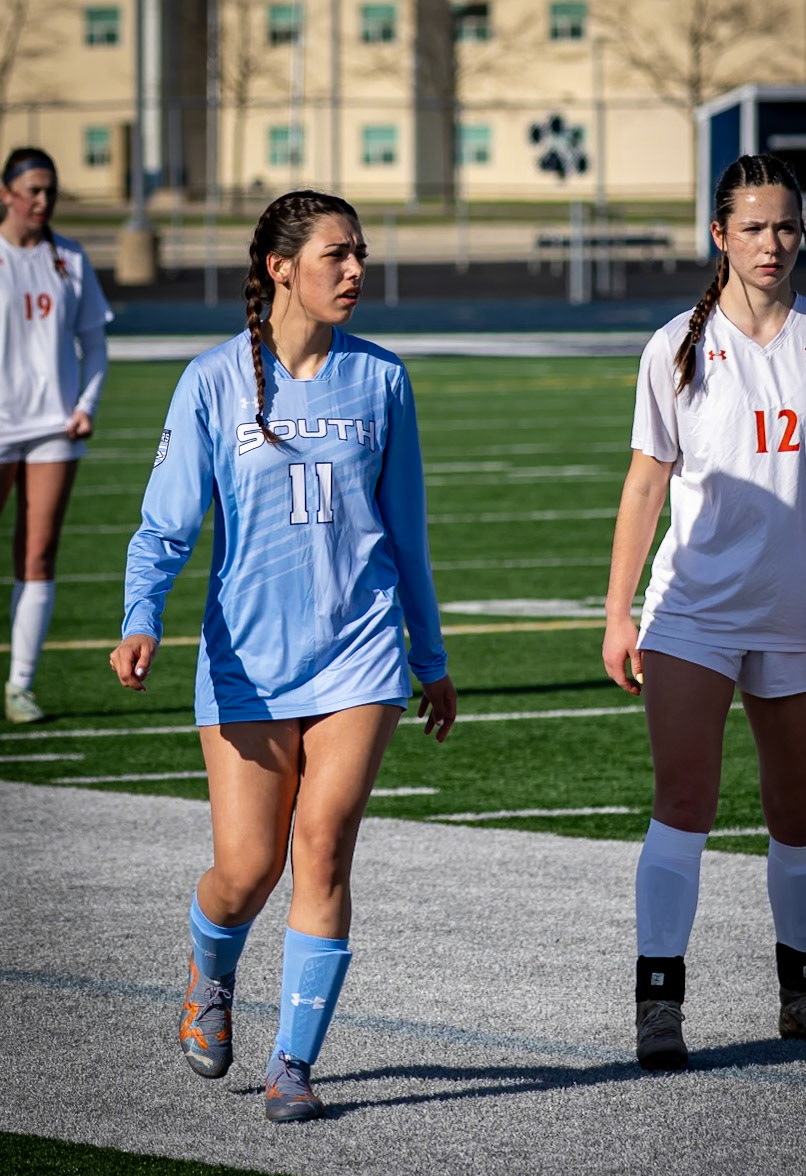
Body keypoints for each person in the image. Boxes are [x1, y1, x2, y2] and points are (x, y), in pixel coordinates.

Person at [110, 190, 457, 1122]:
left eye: (360, 253)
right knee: (246, 870)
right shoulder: (212, 381)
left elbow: (407, 536)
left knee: (323, 847)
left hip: (360, 653)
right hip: (248, 662)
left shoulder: (382, 378)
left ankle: (294, 1066)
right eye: (337, 254)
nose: (356, 270)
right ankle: (209, 974)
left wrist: (429, 658)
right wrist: (142, 618)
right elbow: (164, 527)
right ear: (280, 268)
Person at [602, 154, 806, 1070]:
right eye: (753, 227)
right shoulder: (676, 346)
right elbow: (645, 484)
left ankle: (804, 996)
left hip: (804, 614)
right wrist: (618, 613)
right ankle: (660, 1007)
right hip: (692, 613)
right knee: (683, 803)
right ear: (720, 236)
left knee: (798, 813)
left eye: (785, 226)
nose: (771, 243)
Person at [0, 147, 111, 723]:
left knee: (38, 554)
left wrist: (85, 405)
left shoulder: (69, 256)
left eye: (50, 190)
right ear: (7, 194)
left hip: (54, 428)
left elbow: (94, 342)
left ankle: (20, 686)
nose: (43, 200)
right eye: (33, 190)